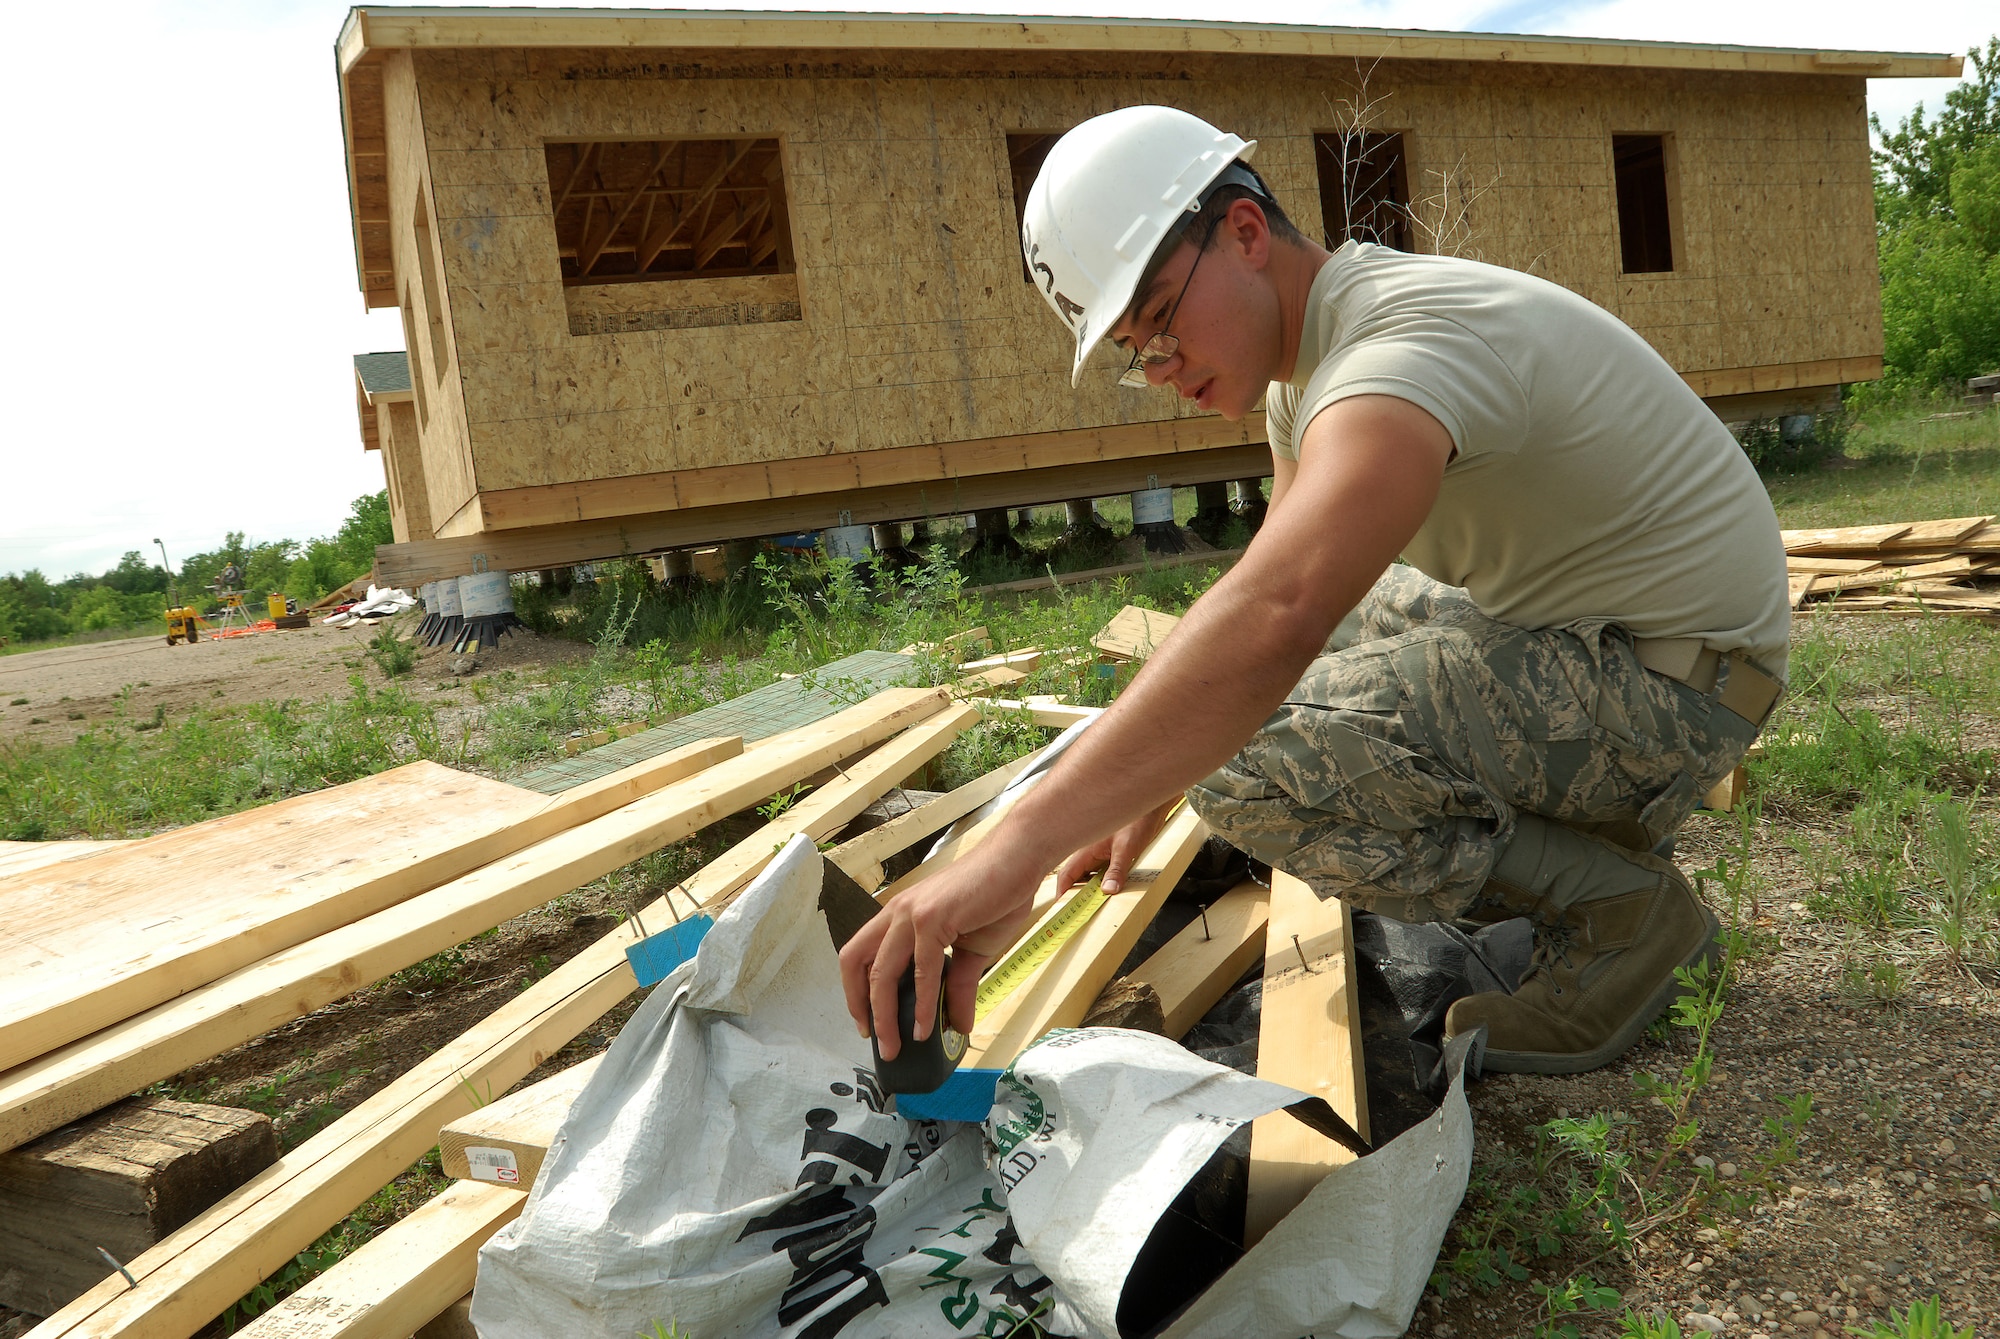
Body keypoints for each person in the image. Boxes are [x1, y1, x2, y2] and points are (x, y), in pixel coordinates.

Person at [839, 105, 1786, 1076]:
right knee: (1298, 669)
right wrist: (1133, 783)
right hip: (1625, 643)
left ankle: (1619, 914)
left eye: (1158, 320)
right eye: (1135, 350)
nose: (1160, 370)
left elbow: (1274, 616)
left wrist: (1025, 842)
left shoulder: (1392, 361)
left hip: (1675, 690)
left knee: (1236, 762)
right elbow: (1284, 591)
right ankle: (1593, 856)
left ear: (1244, 233)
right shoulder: (1311, 372)